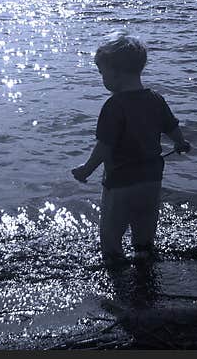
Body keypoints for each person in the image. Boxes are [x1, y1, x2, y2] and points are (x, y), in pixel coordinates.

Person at [71, 32, 190, 268]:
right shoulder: (156, 98)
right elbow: (172, 127)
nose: (101, 78)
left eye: (101, 72)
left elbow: (105, 147)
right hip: (151, 181)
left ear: (115, 72)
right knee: (144, 229)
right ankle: (144, 264)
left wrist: (86, 170)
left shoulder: (114, 106)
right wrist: (180, 143)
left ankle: (116, 272)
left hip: (121, 184)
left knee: (111, 234)